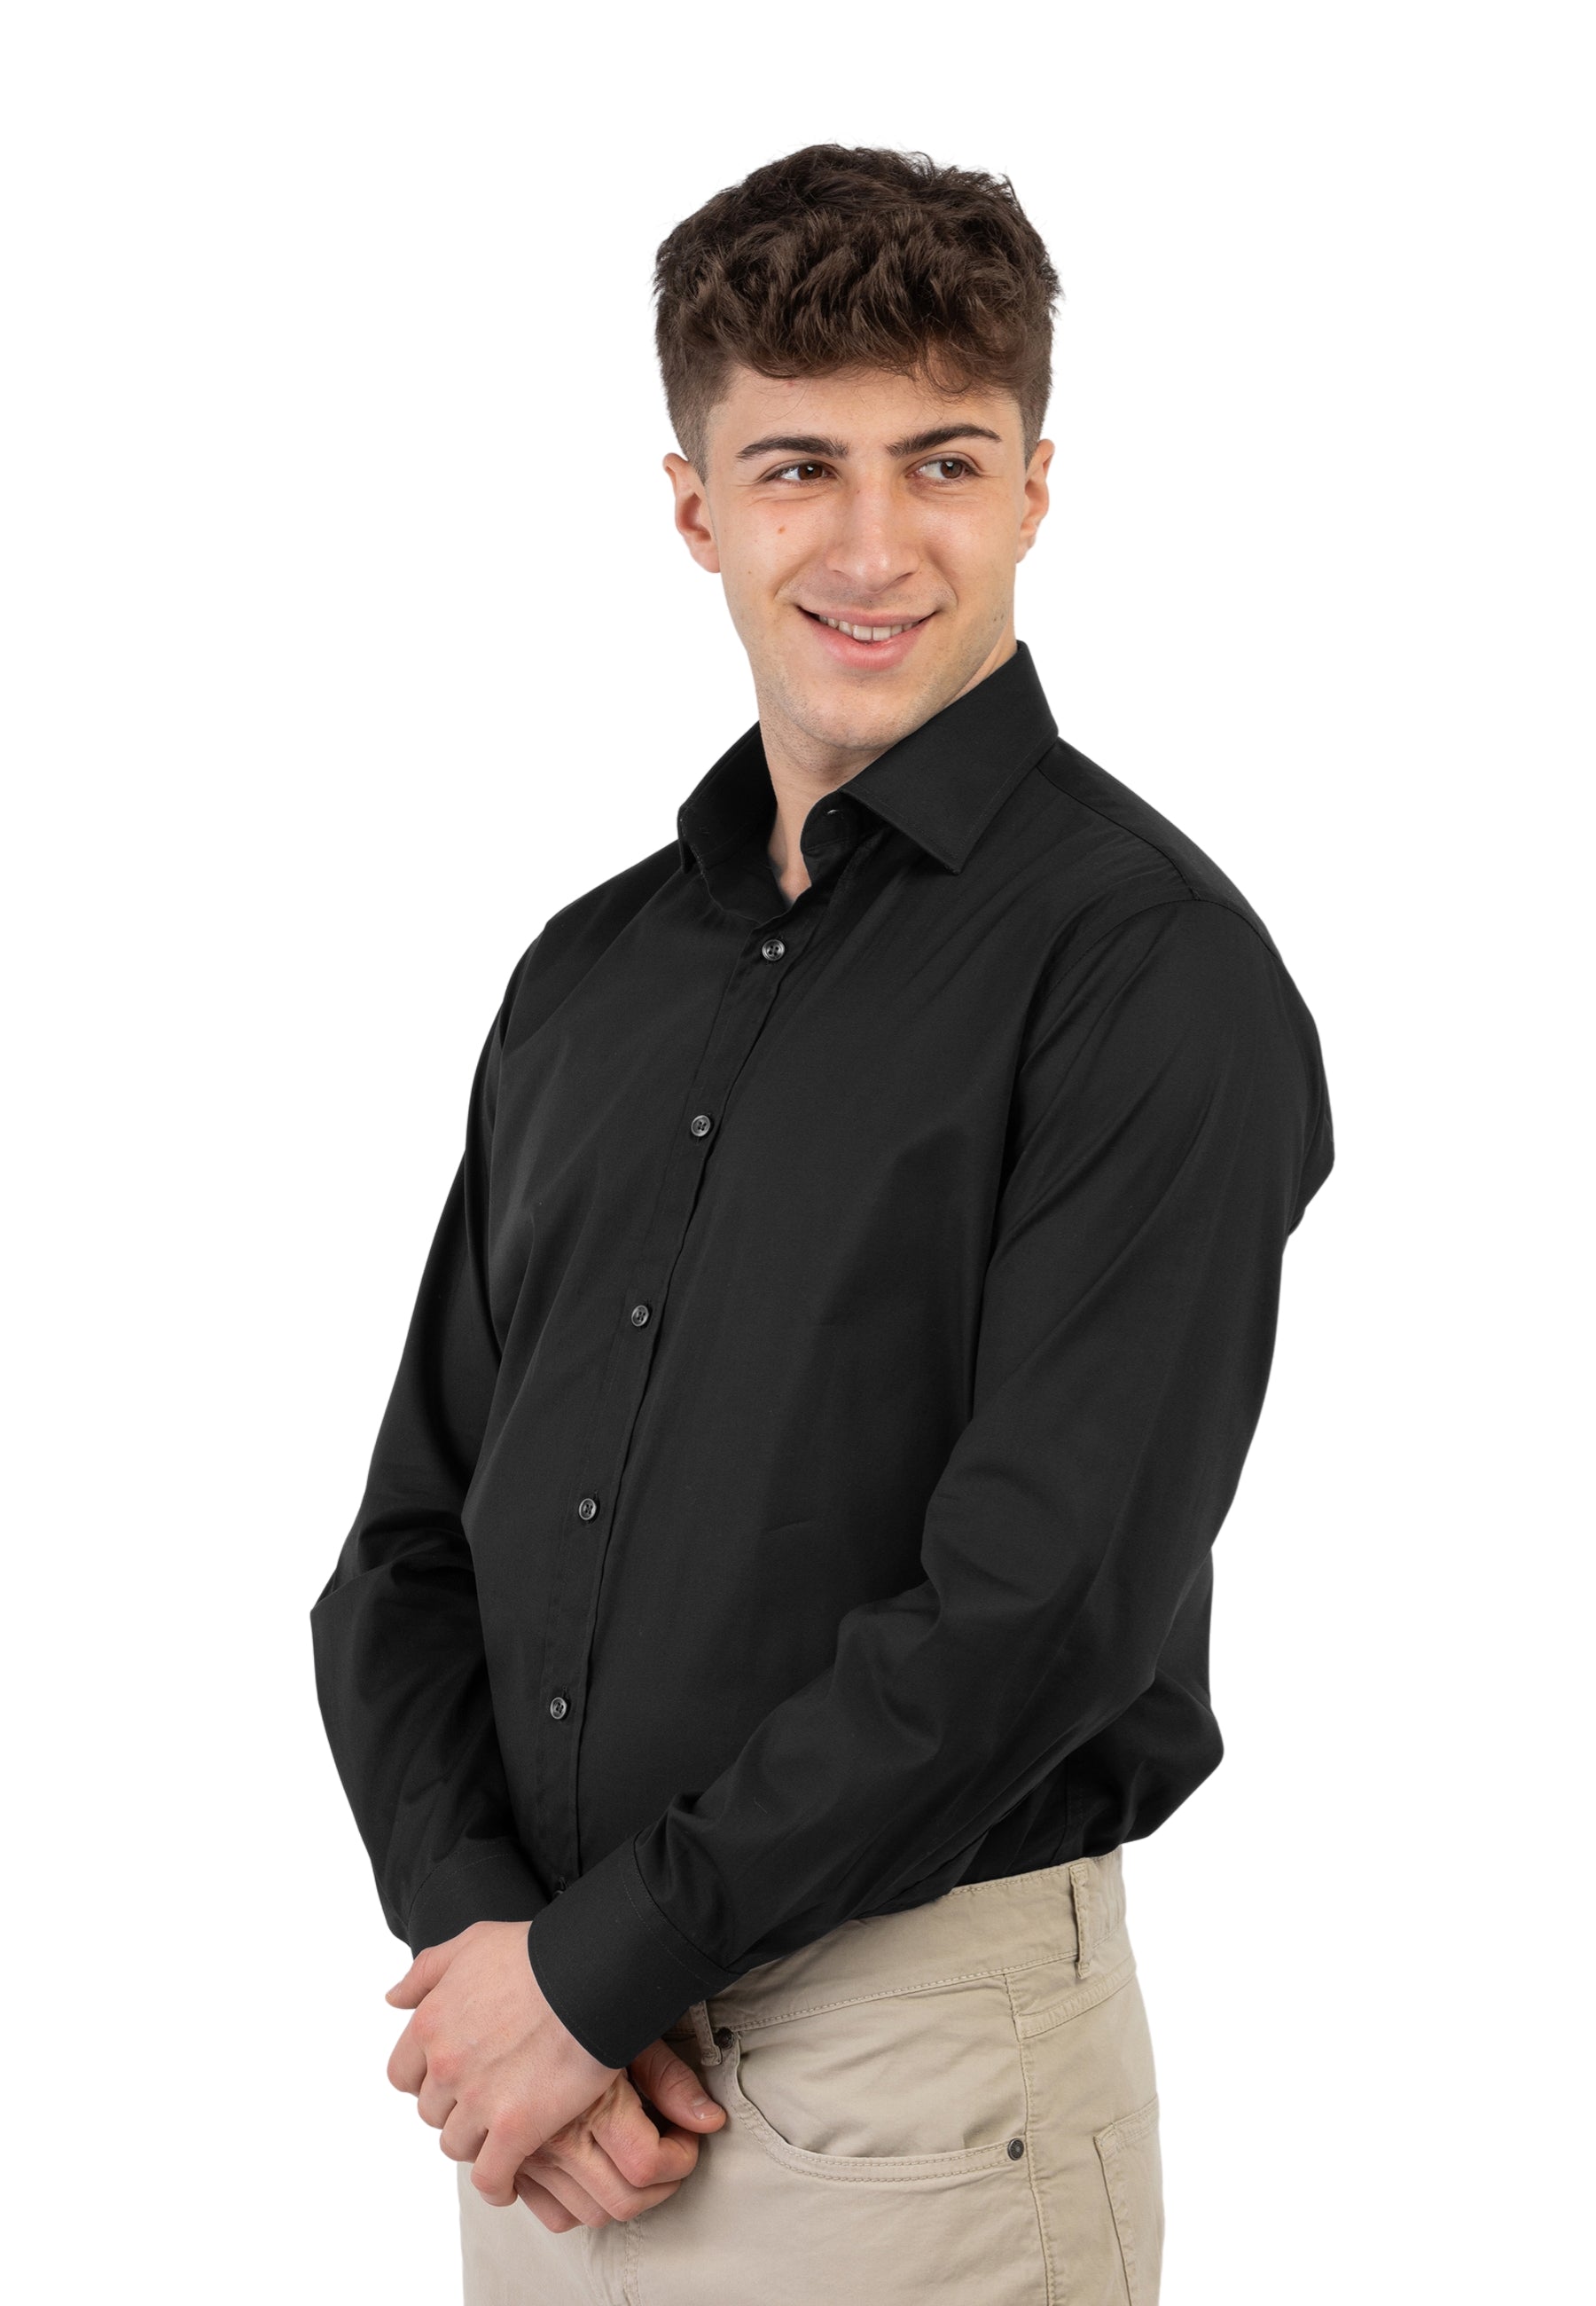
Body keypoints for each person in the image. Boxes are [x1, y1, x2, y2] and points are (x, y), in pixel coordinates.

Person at [311, 142, 1333, 2305]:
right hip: (547, 2105)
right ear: (697, 508)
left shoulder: (1146, 971)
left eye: (941, 460)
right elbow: (408, 1550)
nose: (874, 546)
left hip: (911, 2099)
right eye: (798, 468)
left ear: (1036, 488)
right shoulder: (589, 977)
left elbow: (1040, 1605)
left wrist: (593, 1969)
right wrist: (493, 1946)